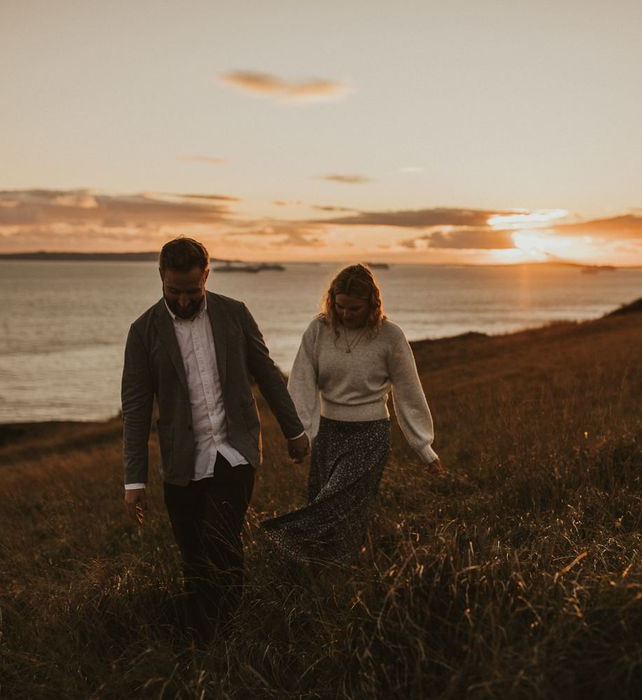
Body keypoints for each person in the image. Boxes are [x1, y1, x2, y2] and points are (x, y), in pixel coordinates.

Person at [121, 237, 309, 642]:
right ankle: (203, 638)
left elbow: (268, 374)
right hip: (181, 466)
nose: (184, 301)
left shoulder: (234, 314)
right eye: (174, 291)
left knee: (221, 544)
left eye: (193, 291)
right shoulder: (142, 332)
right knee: (194, 560)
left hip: (233, 453)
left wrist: (293, 430)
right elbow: (135, 411)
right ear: (160, 278)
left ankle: (228, 633)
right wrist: (134, 482)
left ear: (206, 276)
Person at [262, 264, 442, 563]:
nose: (346, 314)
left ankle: (281, 539)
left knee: (340, 503)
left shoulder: (390, 336)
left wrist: (424, 448)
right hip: (328, 433)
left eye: (355, 308)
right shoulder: (318, 330)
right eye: (340, 306)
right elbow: (302, 384)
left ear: (372, 303)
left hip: (370, 435)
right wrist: (301, 435)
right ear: (331, 301)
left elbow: (409, 392)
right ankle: (326, 569)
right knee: (324, 499)